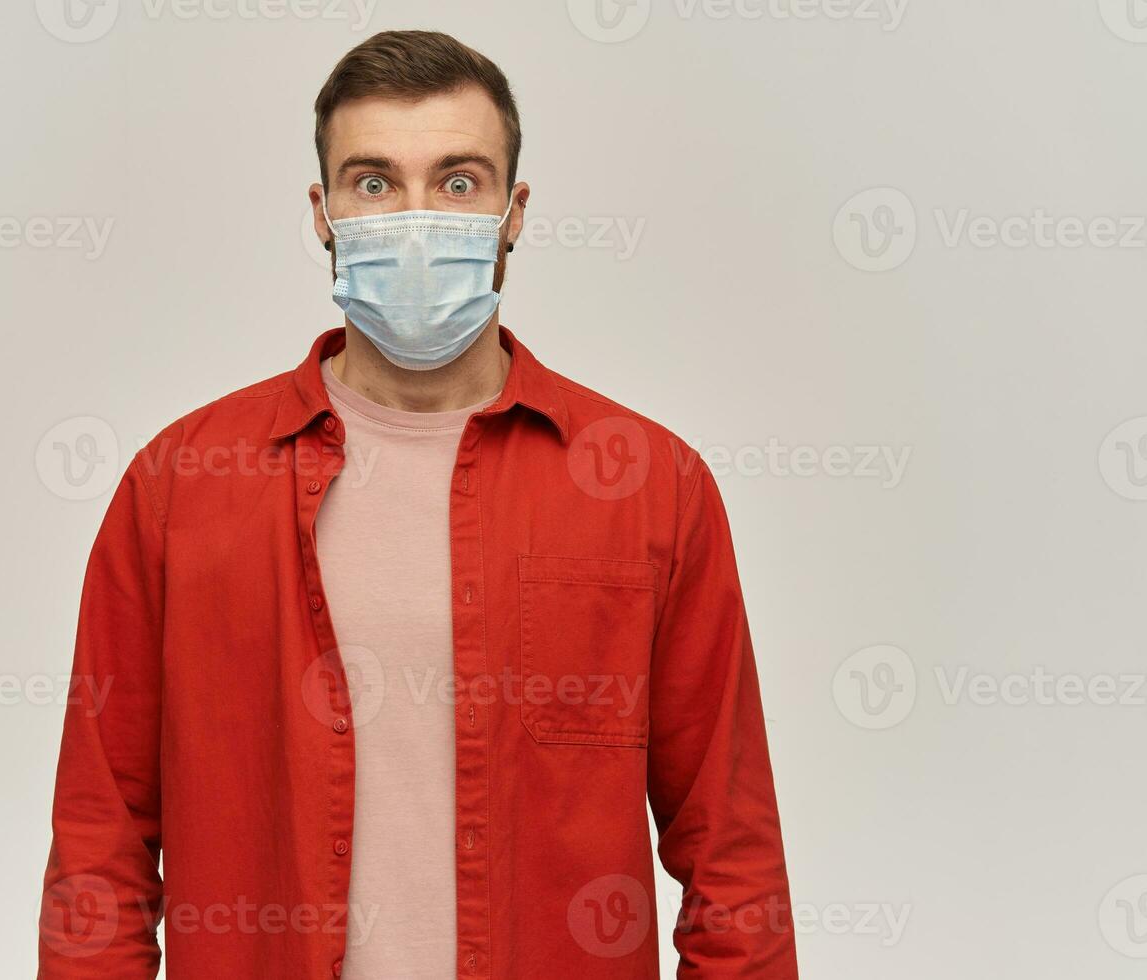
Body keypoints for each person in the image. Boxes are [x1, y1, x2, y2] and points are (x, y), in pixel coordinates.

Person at [39, 29, 798, 980]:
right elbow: (100, 855)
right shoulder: (178, 488)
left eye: (457, 181)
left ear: (513, 211)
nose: (414, 218)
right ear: (321, 213)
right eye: (373, 183)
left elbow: (732, 860)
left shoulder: (649, 486)